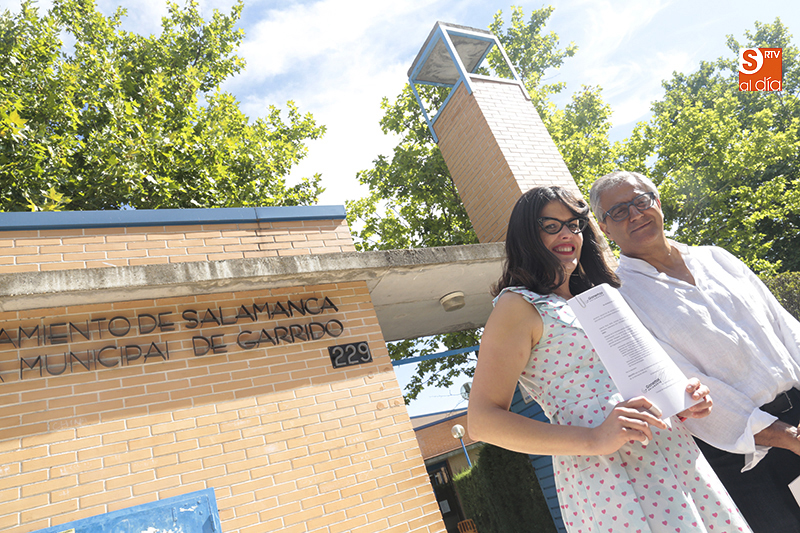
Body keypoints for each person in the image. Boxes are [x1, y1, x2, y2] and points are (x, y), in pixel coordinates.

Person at [468, 185, 751, 533]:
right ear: (527, 234)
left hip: (673, 452)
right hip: (607, 472)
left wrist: (682, 399)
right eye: (551, 225)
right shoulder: (518, 305)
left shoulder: (601, 298)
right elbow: (482, 421)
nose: (568, 234)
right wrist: (594, 439)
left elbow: (637, 379)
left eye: (574, 224)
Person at [590, 169, 800, 533]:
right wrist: (786, 436)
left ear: (657, 202)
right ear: (603, 227)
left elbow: (784, 325)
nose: (635, 214)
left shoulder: (717, 258)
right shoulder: (622, 301)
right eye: (619, 212)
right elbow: (683, 384)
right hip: (742, 451)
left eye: (641, 201)